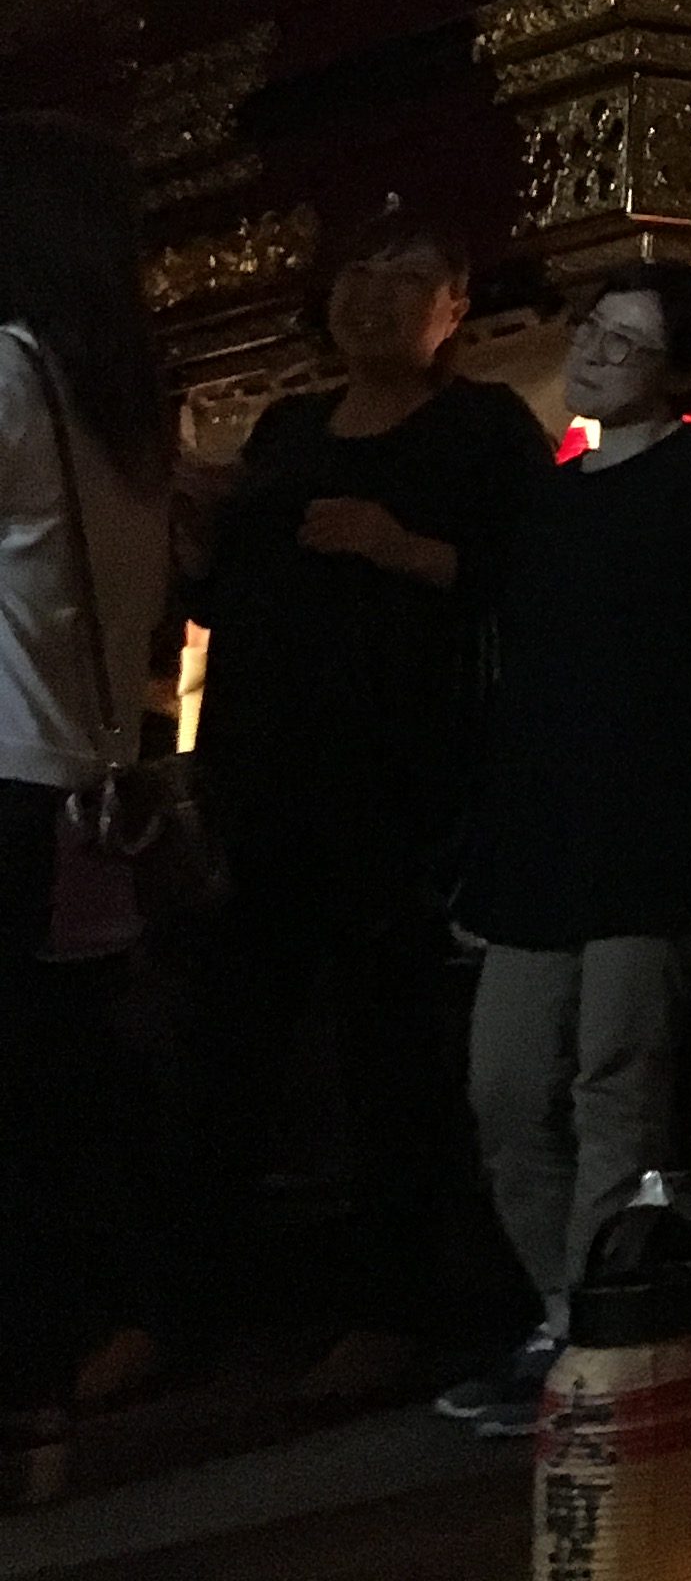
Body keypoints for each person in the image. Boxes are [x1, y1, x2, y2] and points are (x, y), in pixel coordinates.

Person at [435, 263, 691, 1433]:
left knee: (621, 1082)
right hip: (540, 837)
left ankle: (603, 1330)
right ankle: (572, 1308)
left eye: (628, 344)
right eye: (594, 332)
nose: (596, 355)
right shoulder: (551, 496)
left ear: (686, 374)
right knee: (508, 1088)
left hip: (652, 831)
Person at [188, 211, 549, 1385]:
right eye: (358, 269)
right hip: (260, 781)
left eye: (409, 275)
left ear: (456, 308)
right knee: (229, 1044)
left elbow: (534, 584)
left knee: (389, 1051)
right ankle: (188, 1302)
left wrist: (400, 547)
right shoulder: (289, 429)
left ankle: (395, 1307)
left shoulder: (485, 429)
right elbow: (226, 593)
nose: (374, 294)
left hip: (403, 792)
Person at [0, 119, 178, 1432]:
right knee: (52, 1097)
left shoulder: (8, 374)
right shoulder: (119, 399)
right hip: (80, 787)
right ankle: (50, 1380)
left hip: (5, 772)